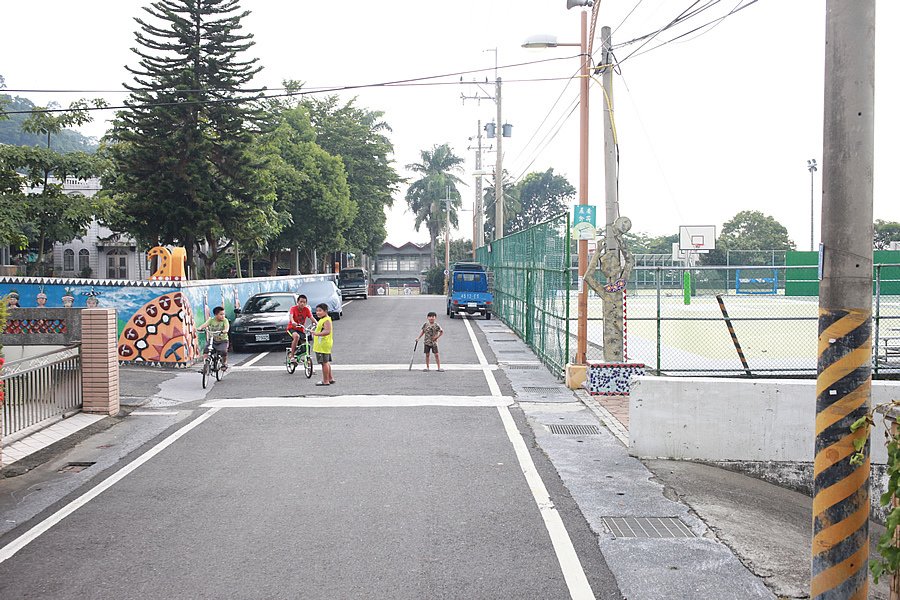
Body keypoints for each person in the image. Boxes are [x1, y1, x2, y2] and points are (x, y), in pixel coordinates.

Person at [197, 305, 231, 371]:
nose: (223, 316)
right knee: (206, 351)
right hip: (213, 340)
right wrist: (200, 327)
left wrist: (225, 331)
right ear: (216, 314)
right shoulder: (211, 320)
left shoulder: (225, 321)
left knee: (223, 351)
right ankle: (205, 366)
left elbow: (227, 328)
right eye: (221, 314)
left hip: (223, 340)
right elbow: (205, 324)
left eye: (224, 314)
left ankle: (224, 363)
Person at [287, 294, 315, 364]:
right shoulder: (293, 308)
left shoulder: (306, 310)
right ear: (298, 302)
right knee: (296, 336)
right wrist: (293, 322)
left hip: (301, 329)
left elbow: (312, 318)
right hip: (292, 328)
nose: (302, 304)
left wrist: (318, 324)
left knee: (307, 344)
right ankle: (292, 356)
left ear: (306, 303)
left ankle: (308, 361)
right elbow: (291, 316)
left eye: (304, 302)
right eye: (301, 302)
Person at [312, 303, 334, 386]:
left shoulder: (326, 320)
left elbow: (327, 331)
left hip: (323, 345)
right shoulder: (323, 319)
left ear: (325, 311)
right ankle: (330, 378)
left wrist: (316, 334)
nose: (318, 312)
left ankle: (325, 381)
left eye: (320, 311)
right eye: (317, 311)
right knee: (326, 362)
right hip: (324, 345)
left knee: (324, 363)